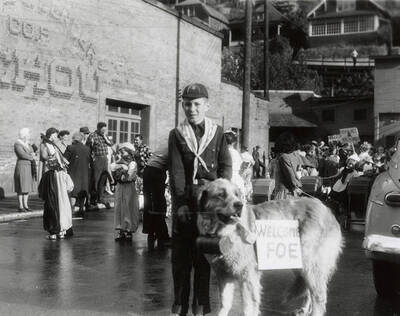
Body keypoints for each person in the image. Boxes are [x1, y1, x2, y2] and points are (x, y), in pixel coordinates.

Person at [168, 83, 232, 316]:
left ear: (207, 105)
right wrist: (181, 204)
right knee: (181, 259)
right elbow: (177, 171)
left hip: (209, 207)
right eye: (187, 104)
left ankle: (202, 306)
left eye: (196, 104)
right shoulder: (176, 134)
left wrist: (222, 199)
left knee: (205, 257)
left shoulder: (218, 133)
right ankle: (179, 306)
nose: (191, 109)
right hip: (187, 204)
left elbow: (225, 168)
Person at [38, 127, 74, 240]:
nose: (55, 137)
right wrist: (52, 158)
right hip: (50, 176)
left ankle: (60, 228)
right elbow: (43, 157)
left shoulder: (53, 145)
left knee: (60, 201)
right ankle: (53, 229)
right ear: (51, 134)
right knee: (52, 202)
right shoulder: (44, 144)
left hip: (57, 175)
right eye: (54, 135)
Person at [142, 146, 170, 249]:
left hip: (148, 169)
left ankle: (151, 232)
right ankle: (162, 235)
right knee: (159, 203)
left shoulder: (166, 143)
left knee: (149, 203)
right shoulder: (176, 142)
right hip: (157, 171)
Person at [110, 143, 139, 241]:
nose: (122, 153)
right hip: (120, 187)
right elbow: (112, 167)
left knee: (128, 207)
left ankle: (129, 230)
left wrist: (121, 171)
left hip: (128, 187)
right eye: (121, 151)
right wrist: (121, 166)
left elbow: (129, 176)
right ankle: (121, 230)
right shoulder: (119, 162)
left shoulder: (132, 163)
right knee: (119, 207)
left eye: (124, 151)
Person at [64, 132, 91, 217]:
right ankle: (81, 208)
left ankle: (71, 210)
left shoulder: (70, 148)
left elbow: (64, 160)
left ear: (74, 139)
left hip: (73, 172)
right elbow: (90, 161)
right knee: (83, 190)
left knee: (73, 192)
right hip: (85, 173)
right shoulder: (87, 149)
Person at [87, 122, 112, 208]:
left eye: (105, 130)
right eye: (102, 130)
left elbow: (110, 144)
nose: (104, 131)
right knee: (95, 180)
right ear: (98, 128)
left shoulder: (105, 136)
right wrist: (90, 161)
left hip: (105, 159)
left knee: (103, 180)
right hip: (97, 159)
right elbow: (88, 148)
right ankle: (93, 200)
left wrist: (104, 136)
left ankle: (100, 198)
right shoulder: (92, 136)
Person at [272, 132, 302, 200]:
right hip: (287, 192)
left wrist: (296, 184)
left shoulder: (281, 157)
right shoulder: (288, 157)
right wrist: (297, 185)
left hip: (282, 191)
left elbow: (290, 174)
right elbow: (292, 174)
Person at [14, 128, 35, 212]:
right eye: (28, 134)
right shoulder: (18, 144)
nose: (29, 136)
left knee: (26, 186)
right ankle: (21, 206)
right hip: (22, 166)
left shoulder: (27, 144)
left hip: (28, 166)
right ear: (24, 135)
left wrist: (31, 145)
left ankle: (26, 205)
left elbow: (33, 151)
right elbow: (22, 154)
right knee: (21, 186)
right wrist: (32, 157)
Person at [225, 131, 245, 199]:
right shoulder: (237, 153)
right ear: (234, 143)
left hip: (226, 177)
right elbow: (242, 165)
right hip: (237, 177)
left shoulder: (223, 152)